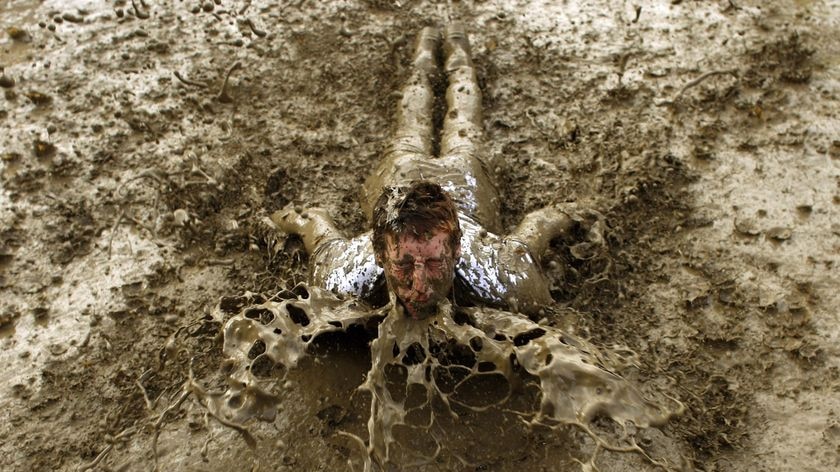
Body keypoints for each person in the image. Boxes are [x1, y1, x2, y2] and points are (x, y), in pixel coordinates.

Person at [271, 23, 602, 319]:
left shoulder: (503, 278)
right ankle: (425, 54)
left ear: (457, 250)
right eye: (402, 265)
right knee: (411, 122)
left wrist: (580, 215)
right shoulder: (344, 277)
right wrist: (272, 220)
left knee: (464, 122)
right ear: (380, 254)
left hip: (464, 180)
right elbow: (311, 222)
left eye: (433, 263)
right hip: (402, 174)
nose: (419, 285)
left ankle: (460, 52)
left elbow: (539, 226)